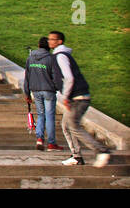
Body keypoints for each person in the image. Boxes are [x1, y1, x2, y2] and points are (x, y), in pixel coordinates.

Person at [48, 32, 110, 166]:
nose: (49, 41)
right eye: (49, 39)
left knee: (73, 126)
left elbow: (69, 77)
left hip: (78, 97)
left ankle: (102, 150)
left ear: (60, 41)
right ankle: (77, 157)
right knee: (66, 125)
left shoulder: (60, 56)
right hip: (75, 97)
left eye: (52, 39)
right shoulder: (60, 55)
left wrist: (65, 96)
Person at [23, 36, 59, 152]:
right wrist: (56, 87)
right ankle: (51, 143)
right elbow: (56, 76)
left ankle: (39, 138)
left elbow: (27, 77)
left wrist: (27, 93)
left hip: (35, 90)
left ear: (38, 45)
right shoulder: (51, 59)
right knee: (49, 116)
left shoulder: (31, 58)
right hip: (48, 90)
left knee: (41, 114)